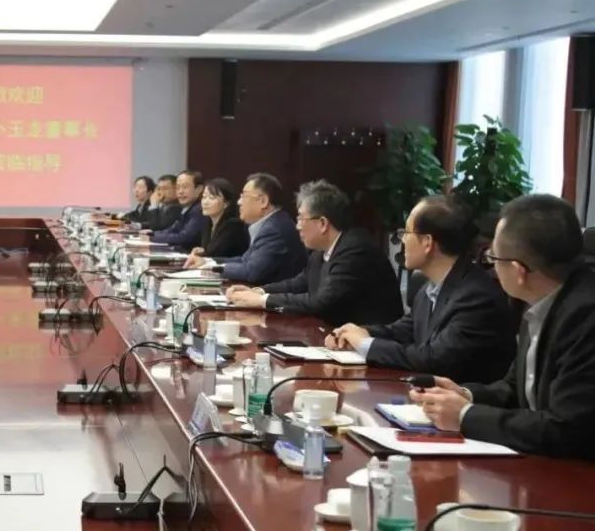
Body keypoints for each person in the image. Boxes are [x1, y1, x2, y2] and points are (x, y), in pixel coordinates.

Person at [411, 194, 595, 460]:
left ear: (519, 271)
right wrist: (466, 395)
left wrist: (464, 416)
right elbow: (515, 388)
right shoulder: (542, 301)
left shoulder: (585, 317)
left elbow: (566, 430)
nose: (492, 269)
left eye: (493, 258)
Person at [329, 196, 516, 383]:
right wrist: (355, 333)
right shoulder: (430, 287)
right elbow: (403, 331)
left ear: (427, 242)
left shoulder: (476, 297)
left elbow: (434, 359)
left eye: (407, 232)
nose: (403, 240)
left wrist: (365, 344)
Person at [226, 180, 402, 326]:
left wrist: (263, 300)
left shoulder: (355, 250)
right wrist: (258, 291)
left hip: (369, 343)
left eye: (301, 218)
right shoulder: (321, 250)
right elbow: (300, 283)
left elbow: (320, 302)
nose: (297, 226)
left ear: (323, 223)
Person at [187, 173, 305, 285]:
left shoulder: (274, 229)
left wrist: (212, 268)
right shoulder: (272, 223)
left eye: (244, 196)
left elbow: (251, 271)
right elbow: (245, 260)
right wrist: (207, 262)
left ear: (263, 201)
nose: (239, 202)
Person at [188, 178, 249, 259]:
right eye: (204, 197)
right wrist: (201, 251)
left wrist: (203, 254)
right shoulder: (208, 223)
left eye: (211, 198)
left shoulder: (234, 225)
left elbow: (217, 254)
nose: (205, 202)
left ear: (226, 203)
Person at [148, 170, 206, 252]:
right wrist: (150, 234)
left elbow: (183, 238)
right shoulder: (188, 208)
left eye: (185, 187)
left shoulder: (199, 210)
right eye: (178, 188)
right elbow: (172, 230)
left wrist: (150, 237)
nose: (180, 191)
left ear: (199, 189)